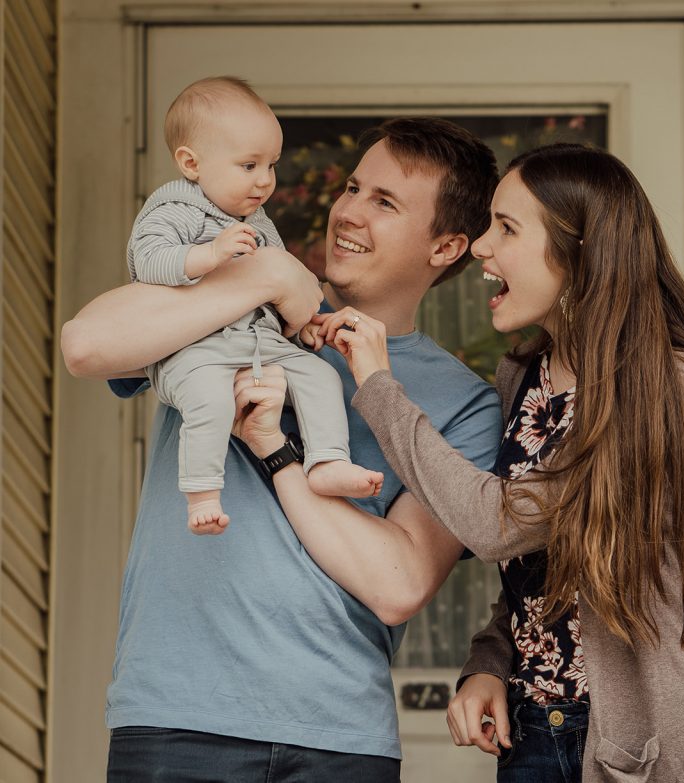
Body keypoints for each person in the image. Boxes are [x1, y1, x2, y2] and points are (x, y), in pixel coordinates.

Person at [264, 143, 684, 782]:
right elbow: (545, 567)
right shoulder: (525, 378)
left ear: (578, 249)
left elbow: (502, 523)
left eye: (506, 229)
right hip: (537, 732)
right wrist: (491, 660)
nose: (480, 247)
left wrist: (378, 385)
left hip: (657, 740)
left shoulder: (673, 386)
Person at [60, 117, 503, 782]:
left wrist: (272, 445)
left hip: (342, 734)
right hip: (179, 715)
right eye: (353, 187)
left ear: (446, 247)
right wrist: (265, 273)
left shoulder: (464, 403)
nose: (348, 211)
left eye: (384, 203)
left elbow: (398, 583)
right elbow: (85, 346)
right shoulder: (231, 299)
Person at [126, 76, 382, 534]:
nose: (265, 180)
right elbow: (149, 261)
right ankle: (202, 491)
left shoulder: (258, 221)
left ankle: (326, 460)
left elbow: (277, 288)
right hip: (196, 349)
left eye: (271, 165)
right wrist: (209, 255)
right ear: (191, 163)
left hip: (261, 342)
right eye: (248, 165)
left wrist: (300, 325)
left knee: (321, 375)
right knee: (209, 402)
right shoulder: (173, 210)